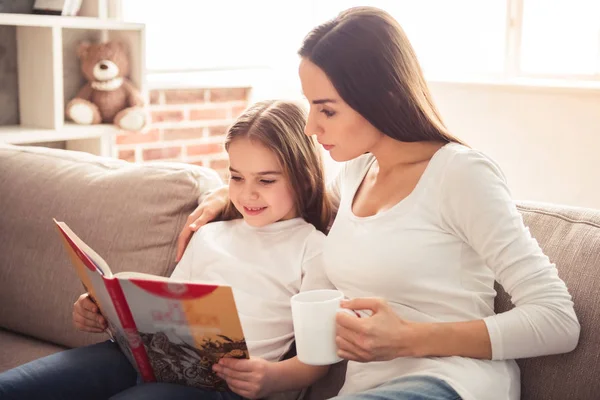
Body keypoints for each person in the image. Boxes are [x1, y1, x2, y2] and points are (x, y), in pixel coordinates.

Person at [176, 7, 580, 400]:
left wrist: (409, 338)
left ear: (381, 97)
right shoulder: (354, 175)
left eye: (327, 110)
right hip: (367, 388)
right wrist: (222, 197)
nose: (311, 128)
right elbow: (296, 197)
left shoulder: (459, 175)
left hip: (451, 381)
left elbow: (557, 319)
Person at [0, 100, 334, 400]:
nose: (247, 194)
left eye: (266, 181)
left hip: (219, 387)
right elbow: (164, 306)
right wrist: (103, 310)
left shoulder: (311, 249)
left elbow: (318, 358)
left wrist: (273, 378)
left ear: (303, 179)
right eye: (236, 177)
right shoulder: (209, 235)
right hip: (136, 358)